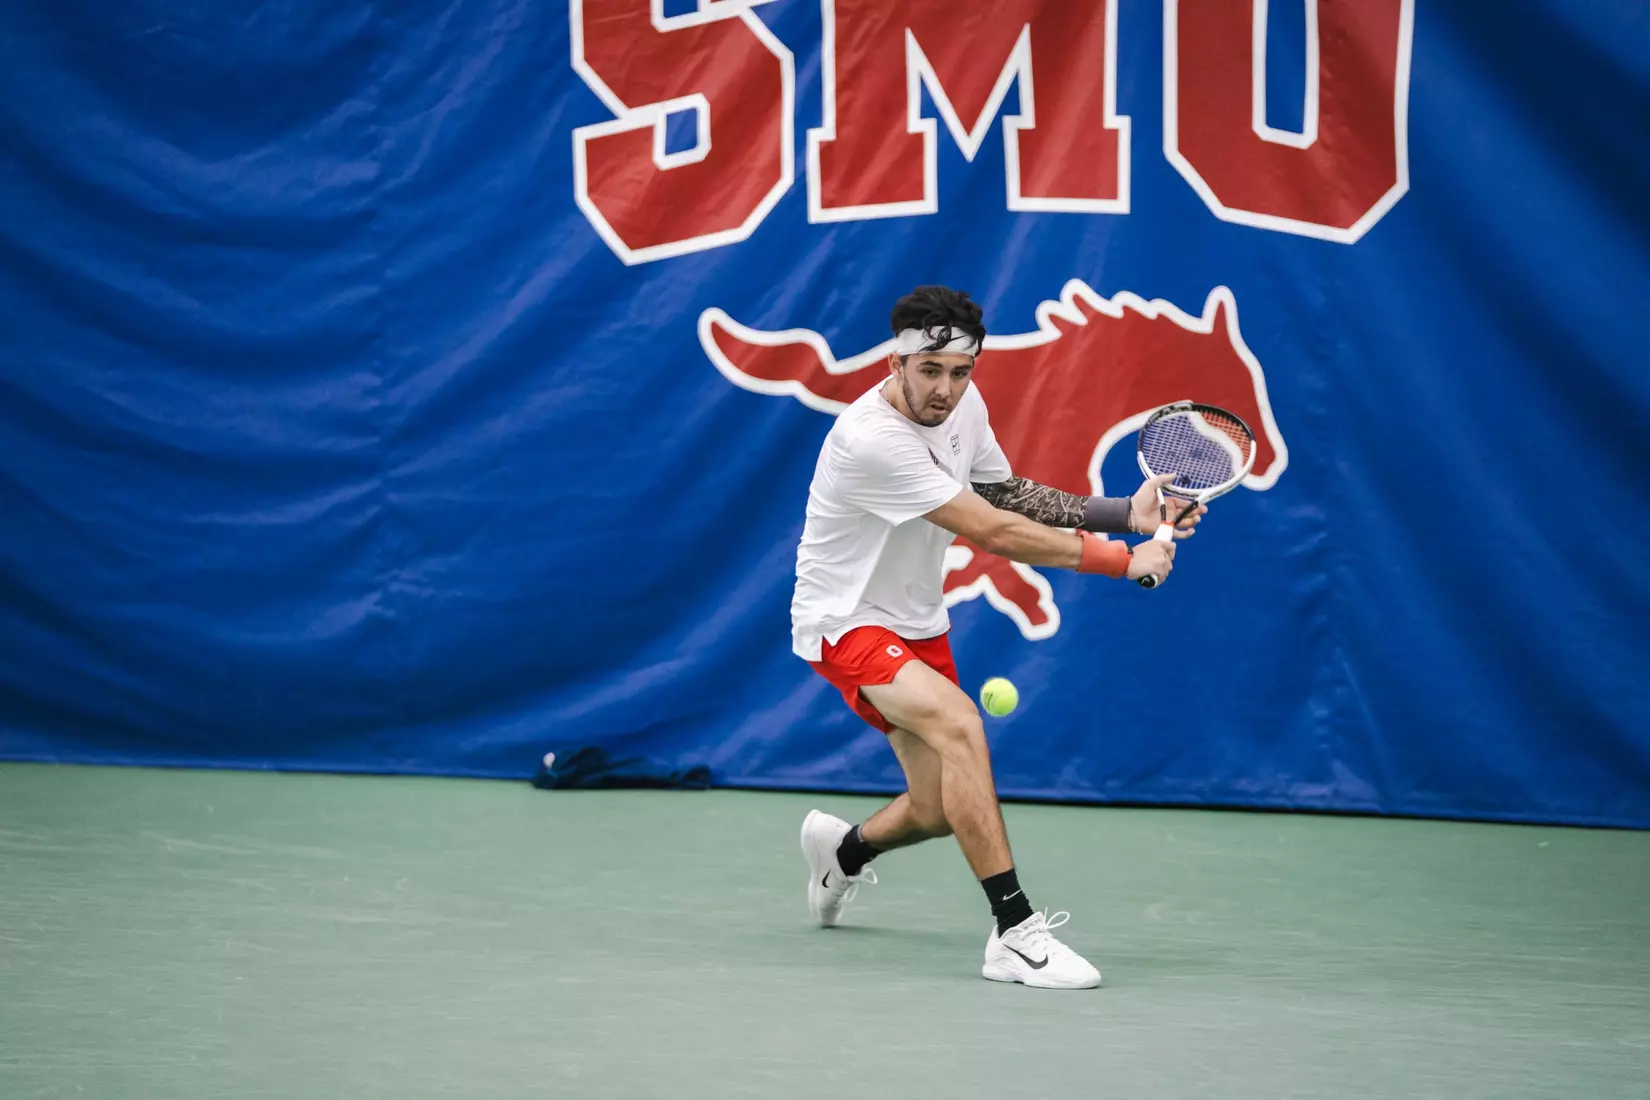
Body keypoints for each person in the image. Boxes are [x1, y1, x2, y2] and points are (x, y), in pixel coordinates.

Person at [792, 285, 1204, 989]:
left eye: (960, 372)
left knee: (935, 809)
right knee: (960, 723)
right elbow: (990, 530)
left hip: (917, 619)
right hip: (846, 618)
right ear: (896, 362)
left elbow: (1004, 492)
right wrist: (1119, 561)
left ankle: (845, 850)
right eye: (929, 371)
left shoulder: (963, 406)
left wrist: (1122, 514)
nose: (946, 389)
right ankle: (1015, 931)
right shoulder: (871, 441)